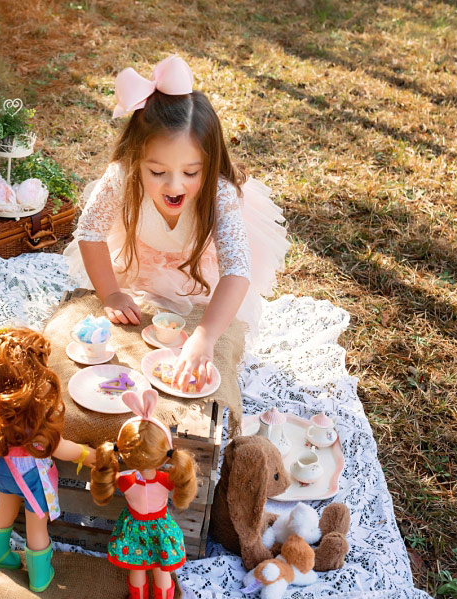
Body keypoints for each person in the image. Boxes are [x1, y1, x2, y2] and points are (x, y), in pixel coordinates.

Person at [63, 55, 290, 391]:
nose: (174, 186)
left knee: (193, 339)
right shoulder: (122, 176)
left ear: (209, 164)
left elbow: (237, 269)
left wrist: (205, 335)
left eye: (190, 172)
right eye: (157, 172)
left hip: (200, 272)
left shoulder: (220, 194)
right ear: (136, 159)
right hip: (141, 261)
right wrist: (110, 294)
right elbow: (91, 233)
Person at [0, 326, 95, 593]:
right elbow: (59, 448)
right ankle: (39, 576)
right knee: (36, 523)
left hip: (2, 467)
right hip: (33, 476)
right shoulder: (35, 417)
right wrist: (86, 454)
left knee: (5, 506)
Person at [90, 389, 198, 599]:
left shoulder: (125, 481)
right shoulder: (166, 481)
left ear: (122, 451)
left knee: (136, 570)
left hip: (133, 531)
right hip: (161, 530)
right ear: (167, 454)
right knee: (162, 570)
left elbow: (115, 478)